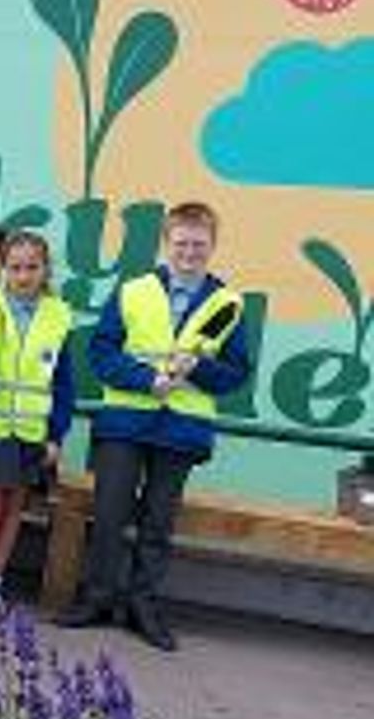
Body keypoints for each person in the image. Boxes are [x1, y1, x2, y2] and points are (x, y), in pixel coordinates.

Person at [59, 202, 250, 651]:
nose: (189, 252)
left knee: (158, 522)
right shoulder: (133, 290)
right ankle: (97, 598)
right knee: (109, 513)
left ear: (212, 246)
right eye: (181, 243)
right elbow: (102, 353)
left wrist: (198, 368)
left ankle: (142, 605)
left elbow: (237, 372)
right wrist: (148, 380)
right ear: (166, 243)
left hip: (181, 429)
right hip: (125, 421)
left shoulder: (230, 304)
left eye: (198, 244)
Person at [0, 233, 74, 613]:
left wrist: (56, 435)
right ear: (4, 269)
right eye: (15, 267)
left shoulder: (59, 314)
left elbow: (64, 382)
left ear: (45, 270)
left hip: (33, 429)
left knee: (15, 507)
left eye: (32, 267)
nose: (24, 276)